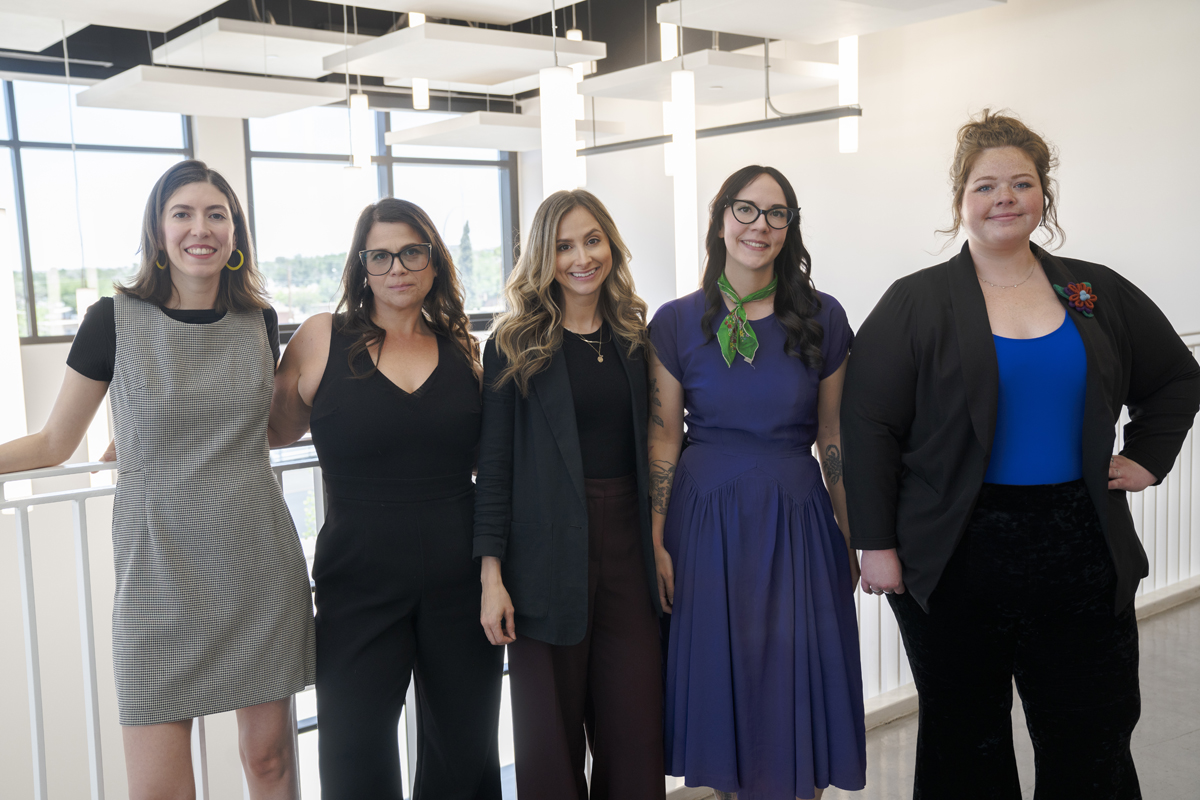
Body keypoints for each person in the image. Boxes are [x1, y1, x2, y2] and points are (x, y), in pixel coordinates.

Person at [842, 110, 1200, 799]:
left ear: (1044, 195)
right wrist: (876, 544)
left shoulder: (1095, 291)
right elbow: (868, 426)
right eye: (985, 185)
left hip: (1080, 545)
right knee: (964, 741)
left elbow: (1177, 377)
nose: (1004, 197)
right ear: (960, 200)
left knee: (1091, 731)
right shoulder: (915, 301)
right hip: (952, 552)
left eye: (1021, 183)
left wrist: (1149, 456)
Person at [0, 160, 314, 798]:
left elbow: (260, 424)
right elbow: (55, 443)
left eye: (216, 215)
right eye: (183, 214)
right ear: (158, 230)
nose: (201, 229)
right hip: (156, 578)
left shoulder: (260, 320)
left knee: (270, 764)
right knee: (158, 789)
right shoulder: (110, 320)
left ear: (234, 233)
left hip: (258, 566)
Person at [269, 198, 503, 800]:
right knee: (354, 754)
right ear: (362, 266)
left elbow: (493, 467)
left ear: (434, 262)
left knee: (464, 754)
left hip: (460, 579)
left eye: (411, 252)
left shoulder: (464, 347)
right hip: (357, 581)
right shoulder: (322, 337)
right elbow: (267, 429)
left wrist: (494, 574)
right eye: (381, 256)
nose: (397, 267)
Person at [648, 165, 866, 800]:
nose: (760, 226)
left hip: (797, 519)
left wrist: (853, 534)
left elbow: (833, 434)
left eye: (776, 214)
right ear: (720, 219)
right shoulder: (675, 321)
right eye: (745, 209)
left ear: (789, 229)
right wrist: (655, 540)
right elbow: (663, 438)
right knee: (726, 690)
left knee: (800, 683)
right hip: (705, 525)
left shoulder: (823, 317)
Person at [474, 189, 664, 800]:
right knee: (548, 745)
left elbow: (660, 446)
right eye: (563, 246)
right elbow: (493, 470)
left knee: (636, 731)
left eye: (592, 240)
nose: (581, 258)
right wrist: (491, 577)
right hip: (542, 555)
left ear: (611, 245)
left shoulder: (636, 338)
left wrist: (663, 543)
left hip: (629, 549)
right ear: (543, 257)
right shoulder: (511, 345)